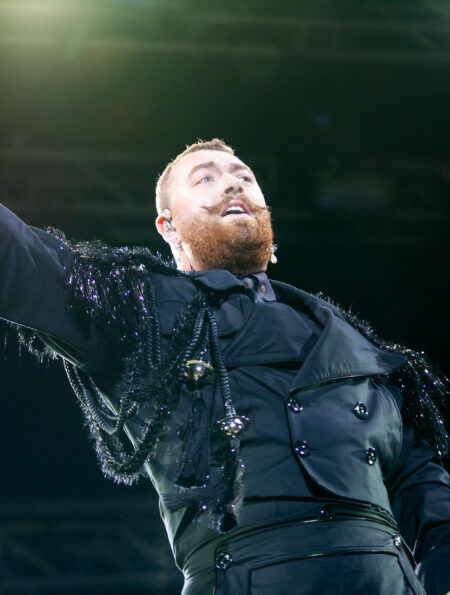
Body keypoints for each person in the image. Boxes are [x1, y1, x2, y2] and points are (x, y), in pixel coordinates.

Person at [0, 138, 449, 595]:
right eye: (206, 179)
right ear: (168, 227)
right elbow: (21, 256)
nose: (232, 184)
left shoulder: (359, 344)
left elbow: (427, 493)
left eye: (244, 177)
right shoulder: (138, 308)